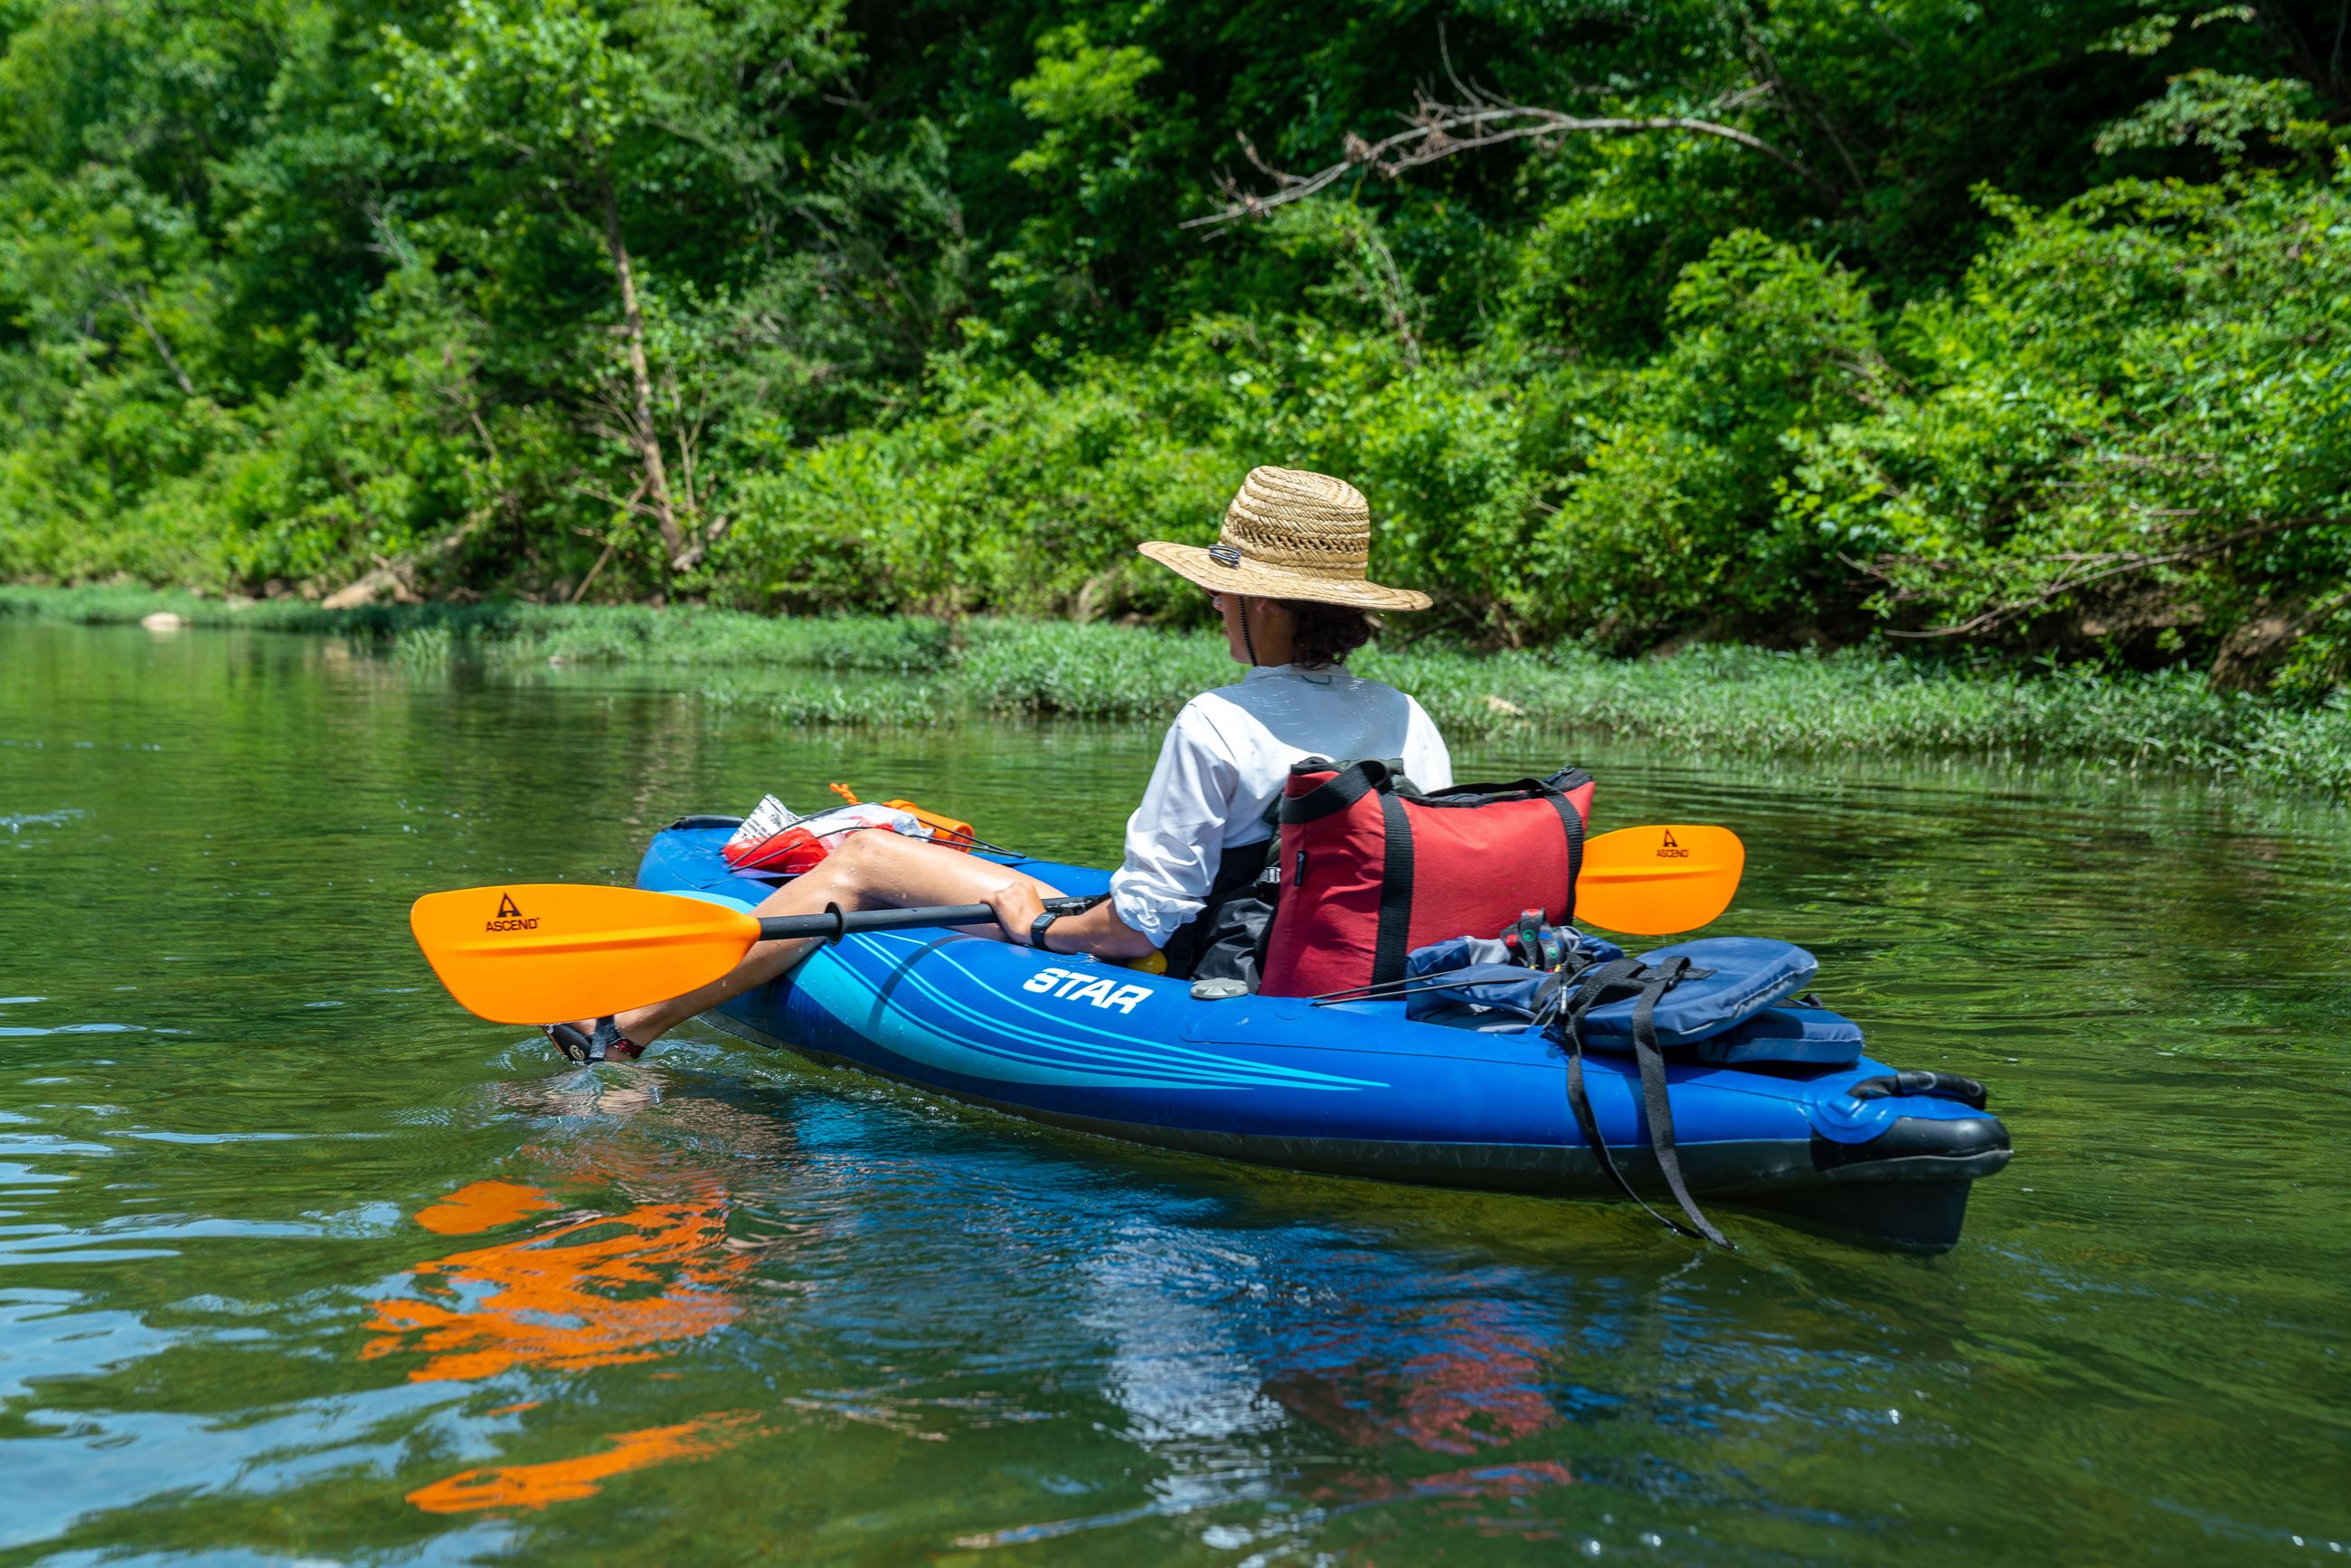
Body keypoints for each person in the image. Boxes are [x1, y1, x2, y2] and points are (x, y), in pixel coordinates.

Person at [548, 466, 1451, 1062]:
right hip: (1342, 973)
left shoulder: (1217, 721)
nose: (1213, 600)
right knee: (933, 871)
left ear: (1267, 604)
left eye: (1224, 588)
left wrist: (1039, 927)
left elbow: (1137, 930)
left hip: (1200, 974)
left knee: (864, 860)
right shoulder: (1404, 716)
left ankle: (621, 1027)